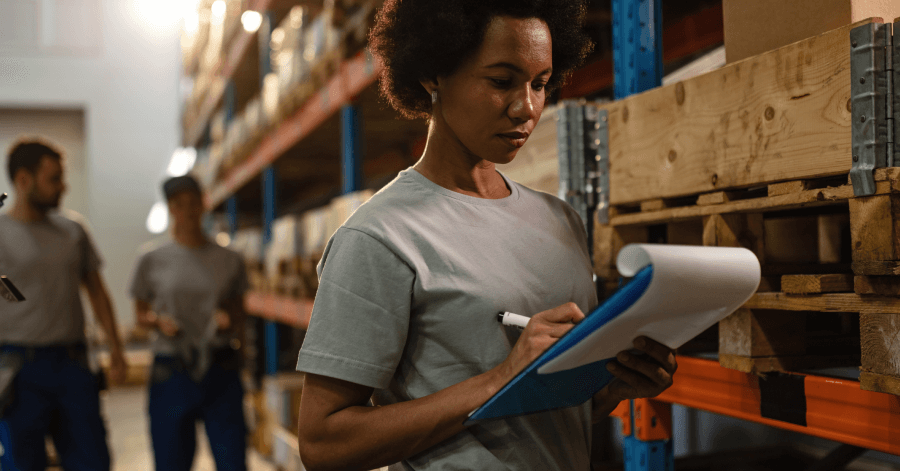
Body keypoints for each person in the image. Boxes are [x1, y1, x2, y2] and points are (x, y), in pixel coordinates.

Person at [294, 1, 679, 470]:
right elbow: (323, 444)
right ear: (432, 76)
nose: (527, 107)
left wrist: (612, 387)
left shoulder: (561, 220)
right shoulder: (379, 237)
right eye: (501, 82)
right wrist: (502, 378)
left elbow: (540, 418)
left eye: (540, 84)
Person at [0, 139, 128, 471]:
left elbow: (97, 292)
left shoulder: (73, 231)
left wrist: (115, 348)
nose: (63, 186)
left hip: (73, 365)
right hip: (17, 369)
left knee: (92, 460)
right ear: (23, 180)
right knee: (21, 463)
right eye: (54, 179)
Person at [129, 175, 248, 471]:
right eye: (179, 205)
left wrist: (229, 320)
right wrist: (159, 322)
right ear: (171, 209)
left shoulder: (229, 259)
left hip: (220, 366)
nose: (188, 211)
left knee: (232, 459)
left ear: (203, 205)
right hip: (172, 368)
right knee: (171, 460)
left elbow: (240, 312)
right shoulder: (151, 259)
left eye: (194, 203)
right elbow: (140, 314)